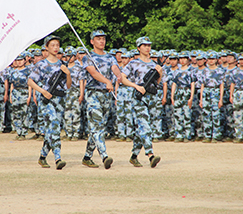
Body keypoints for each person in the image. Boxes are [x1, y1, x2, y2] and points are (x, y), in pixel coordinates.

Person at [28, 35, 71, 170]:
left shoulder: (62, 65)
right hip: (47, 100)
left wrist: (68, 74)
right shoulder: (41, 64)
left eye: (57, 45)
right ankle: (58, 158)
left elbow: (68, 86)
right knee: (54, 126)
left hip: (60, 99)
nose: (55, 47)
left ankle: (42, 156)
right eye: (52, 45)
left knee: (52, 129)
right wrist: (43, 91)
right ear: (46, 48)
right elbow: (30, 81)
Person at [81, 30, 122, 170]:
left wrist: (118, 75)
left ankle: (87, 157)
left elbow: (115, 68)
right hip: (93, 94)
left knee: (99, 128)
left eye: (103, 38)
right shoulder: (88, 57)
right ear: (92, 41)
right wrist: (107, 81)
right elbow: (93, 73)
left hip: (106, 95)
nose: (101, 41)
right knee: (96, 125)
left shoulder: (110, 57)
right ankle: (104, 156)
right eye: (98, 39)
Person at [121, 37, 162, 168]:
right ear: (138, 48)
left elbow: (157, 84)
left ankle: (134, 156)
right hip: (139, 97)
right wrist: (135, 86)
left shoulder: (154, 64)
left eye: (149, 45)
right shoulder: (133, 63)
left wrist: (159, 73)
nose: (147, 48)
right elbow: (122, 78)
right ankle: (150, 155)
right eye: (144, 45)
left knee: (142, 128)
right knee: (145, 126)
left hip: (151, 97)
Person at [198, 51, 225, 143]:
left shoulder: (220, 71)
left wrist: (221, 99)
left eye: (213, 59)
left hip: (215, 91)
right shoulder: (205, 70)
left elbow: (222, 85)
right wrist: (201, 99)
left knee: (216, 115)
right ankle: (207, 135)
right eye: (209, 59)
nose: (211, 61)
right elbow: (202, 85)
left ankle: (216, 135)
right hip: (206, 91)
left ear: (216, 60)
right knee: (206, 114)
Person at [171, 51, 195, 142]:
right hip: (178, 92)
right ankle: (179, 134)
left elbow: (192, 84)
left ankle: (187, 135)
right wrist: (172, 96)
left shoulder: (190, 70)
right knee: (177, 114)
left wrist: (191, 97)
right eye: (181, 58)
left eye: (184, 58)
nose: (182, 60)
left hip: (186, 91)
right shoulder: (177, 71)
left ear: (188, 60)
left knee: (187, 114)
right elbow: (174, 84)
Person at [9, 53, 32, 140]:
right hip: (15, 93)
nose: (19, 62)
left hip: (24, 92)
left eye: (21, 60)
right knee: (16, 113)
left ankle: (24, 133)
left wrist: (29, 96)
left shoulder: (27, 71)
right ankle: (18, 132)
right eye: (17, 60)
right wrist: (10, 95)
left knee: (25, 113)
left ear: (24, 60)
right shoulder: (13, 71)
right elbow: (12, 84)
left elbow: (29, 84)